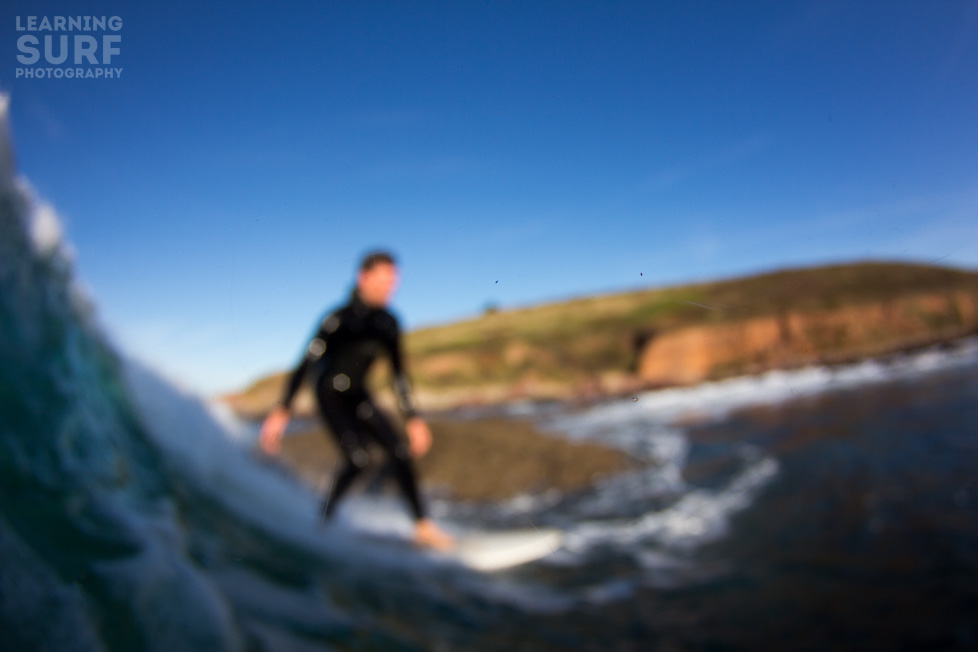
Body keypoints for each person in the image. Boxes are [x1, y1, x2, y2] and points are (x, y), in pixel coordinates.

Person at [259, 251, 454, 550]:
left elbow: (399, 375)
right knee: (358, 458)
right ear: (363, 278)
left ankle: (423, 526)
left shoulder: (389, 323)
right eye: (385, 280)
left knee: (400, 452)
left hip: (359, 393)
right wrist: (282, 410)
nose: (391, 287)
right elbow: (306, 364)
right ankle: (324, 520)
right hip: (330, 395)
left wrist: (413, 418)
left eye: (394, 281)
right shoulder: (337, 319)